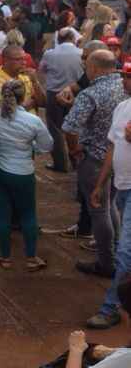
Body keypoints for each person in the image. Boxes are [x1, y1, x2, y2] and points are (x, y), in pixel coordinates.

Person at [0, 79, 53, 271]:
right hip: (22, 172)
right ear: (23, 96)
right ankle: (31, 257)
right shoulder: (33, 121)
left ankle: (5, 257)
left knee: (1, 213)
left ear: (3, 95)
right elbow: (46, 146)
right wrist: (30, 146)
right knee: (28, 214)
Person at [63, 49, 128, 280]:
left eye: (87, 67)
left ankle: (106, 262)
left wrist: (74, 149)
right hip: (117, 156)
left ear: (95, 68)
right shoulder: (124, 88)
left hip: (95, 158)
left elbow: (70, 127)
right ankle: (119, 254)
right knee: (110, 207)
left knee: (99, 210)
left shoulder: (91, 93)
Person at [86, 95, 131, 329]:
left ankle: (111, 307)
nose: (125, 81)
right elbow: (112, 148)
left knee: (125, 251)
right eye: (125, 75)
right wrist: (100, 184)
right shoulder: (122, 107)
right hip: (122, 186)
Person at [40, 28, 84, 173]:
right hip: (76, 93)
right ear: (72, 38)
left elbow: (42, 70)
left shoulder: (50, 54)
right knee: (75, 128)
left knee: (55, 129)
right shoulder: (81, 53)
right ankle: (77, 161)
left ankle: (61, 164)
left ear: (58, 39)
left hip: (54, 93)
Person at [67, 278, 131, 366]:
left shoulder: (125, 359)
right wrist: (112, 352)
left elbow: (125, 359)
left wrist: (76, 349)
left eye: (122, 306)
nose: (118, 307)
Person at [0, 46, 46, 112]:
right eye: (18, 59)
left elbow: (42, 102)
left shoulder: (25, 77)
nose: (24, 63)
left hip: (30, 121)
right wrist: (34, 102)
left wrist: (35, 81)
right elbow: (8, 111)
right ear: (5, 61)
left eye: (24, 59)